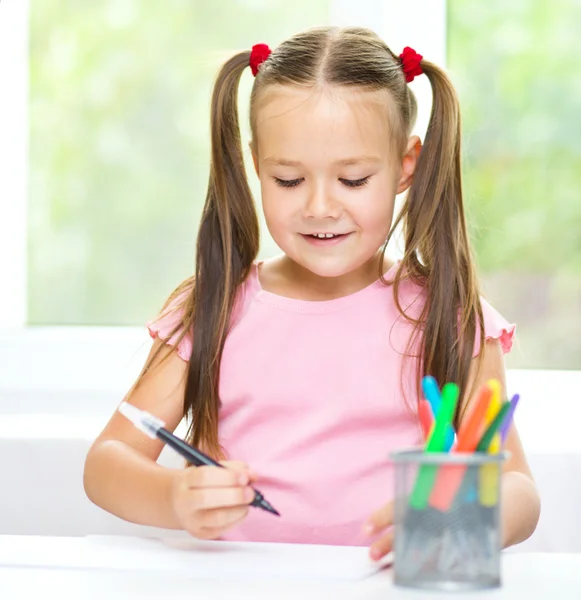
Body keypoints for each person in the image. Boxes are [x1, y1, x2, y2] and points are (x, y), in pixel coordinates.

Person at [83, 26, 540, 561]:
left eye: (352, 180)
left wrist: (470, 521)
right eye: (288, 181)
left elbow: (520, 492)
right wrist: (172, 497)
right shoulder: (213, 309)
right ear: (258, 165)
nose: (320, 207)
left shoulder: (452, 318)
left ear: (405, 166)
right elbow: (105, 464)